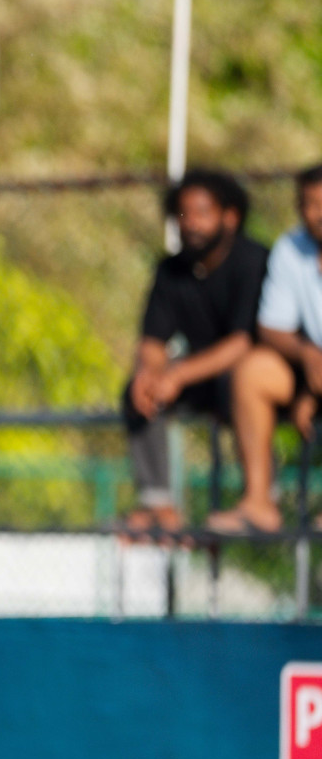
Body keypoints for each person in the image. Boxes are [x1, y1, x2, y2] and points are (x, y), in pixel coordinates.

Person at [120, 169, 267, 532]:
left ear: (229, 216)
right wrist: (151, 374)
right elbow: (153, 340)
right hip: (196, 378)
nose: (192, 224)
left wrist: (177, 374)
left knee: (242, 380)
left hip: (248, 375)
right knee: (136, 390)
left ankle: (262, 498)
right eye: (183, 214)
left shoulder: (254, 261)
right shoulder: (170, 271)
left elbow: (243, 341)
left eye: (202, 212)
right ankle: (158, 505)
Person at [207, 164, 322, 533]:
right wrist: (307, 359)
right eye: (306, 204)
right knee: (253, 370)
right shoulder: (292, 248)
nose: (314, 214)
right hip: (313, 368)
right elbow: (272, 327)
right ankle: (259, 503)